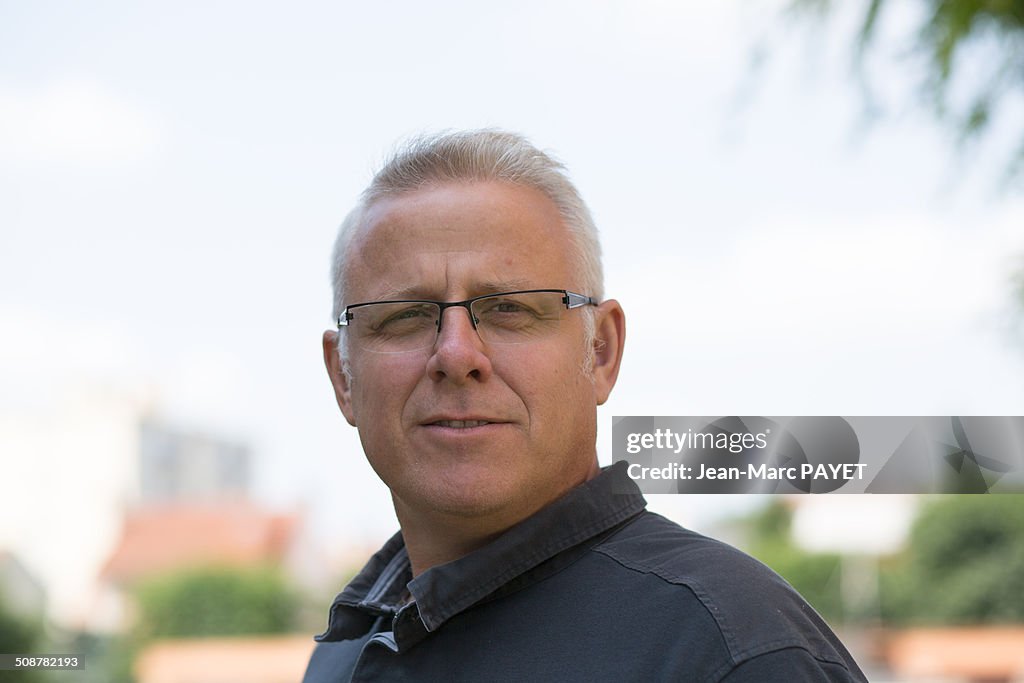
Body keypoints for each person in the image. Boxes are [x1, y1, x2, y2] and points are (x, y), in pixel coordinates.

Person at [304, 130, 868, 682]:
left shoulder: (734, 655)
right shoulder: (342, 656)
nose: (456, 354)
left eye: (510, 309)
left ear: (601, 351)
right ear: (343, 376)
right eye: (404, 316)